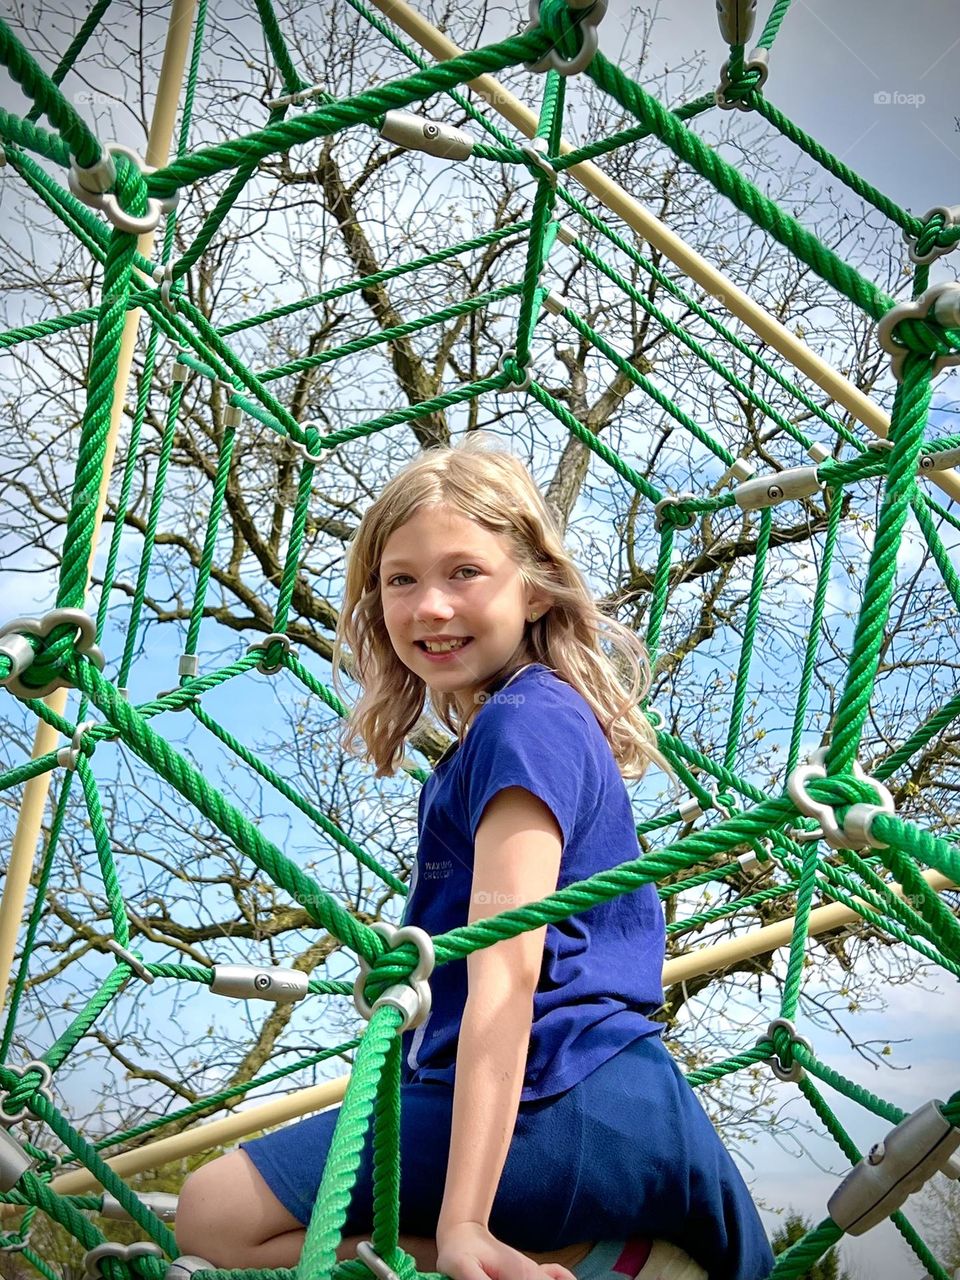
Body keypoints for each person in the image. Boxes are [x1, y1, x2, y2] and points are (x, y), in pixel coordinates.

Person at [175, 434, 774, 1280]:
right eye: (401, 579)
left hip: (563, 1098)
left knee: (214, 1214)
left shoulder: (522, 724)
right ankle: (579, 1249)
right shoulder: (528, 722)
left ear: (532, 588)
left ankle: (590, 1256)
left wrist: (462, 1222)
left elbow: (507, 967)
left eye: (464, 572)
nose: (429, 607)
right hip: (589, 1102)